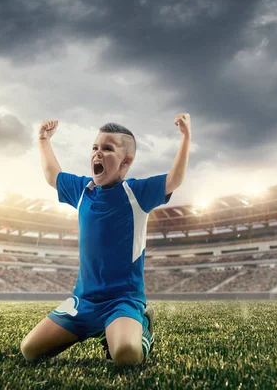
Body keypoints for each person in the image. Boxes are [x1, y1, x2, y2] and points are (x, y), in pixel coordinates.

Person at [20, 114, 191, 366]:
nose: (97, 153)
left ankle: (141, 323)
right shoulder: (82, 190)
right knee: (30, 350)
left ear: (127, 160)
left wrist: (186, 137)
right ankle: (100, 329)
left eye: (107, 149)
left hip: (122, 300)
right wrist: (43, 140)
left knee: (126, 356)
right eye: (95, 147)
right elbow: (52, 175)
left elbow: (173, 180)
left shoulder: (136, 193)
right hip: (82, 300)